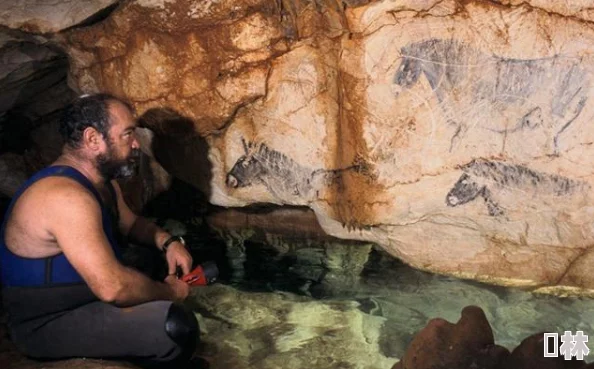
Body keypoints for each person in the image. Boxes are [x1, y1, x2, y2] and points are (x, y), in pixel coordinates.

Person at [0, 94, 201, 368]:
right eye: (128, 134)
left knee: (150, 260)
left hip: (86, 298)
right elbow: (113, 287)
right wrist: (171, 292)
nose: (135, 144)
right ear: (93, 139)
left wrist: (169, 243)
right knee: (175, 327)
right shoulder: (64, 196)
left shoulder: (101, 183)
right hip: (49, 321)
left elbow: (129, 224)